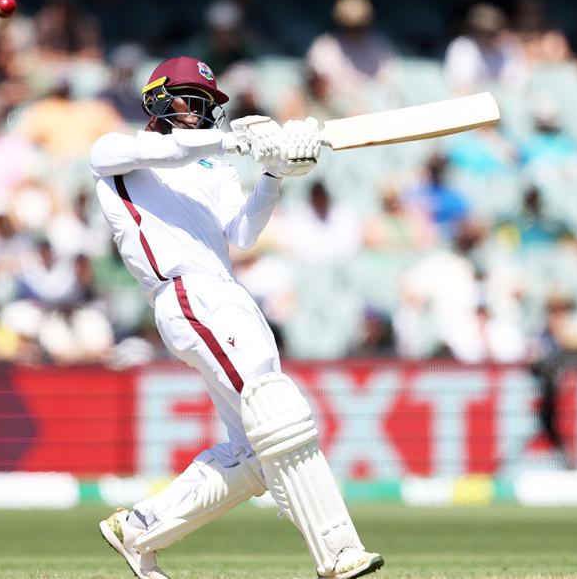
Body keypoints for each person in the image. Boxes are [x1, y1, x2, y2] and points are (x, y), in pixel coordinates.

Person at [90, 56, 383, 579]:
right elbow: (173, 148)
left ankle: (139, 528)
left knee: (254, 451)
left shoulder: (213, 165)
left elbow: (243, 234)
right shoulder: (118, 153)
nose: (199, 115)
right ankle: (339, 552)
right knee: (278, 414)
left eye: (207, 107)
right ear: (156, 100)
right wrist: (242, 141)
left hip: (230, 294)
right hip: (185, 292)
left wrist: (272, 174)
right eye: (189, 102)